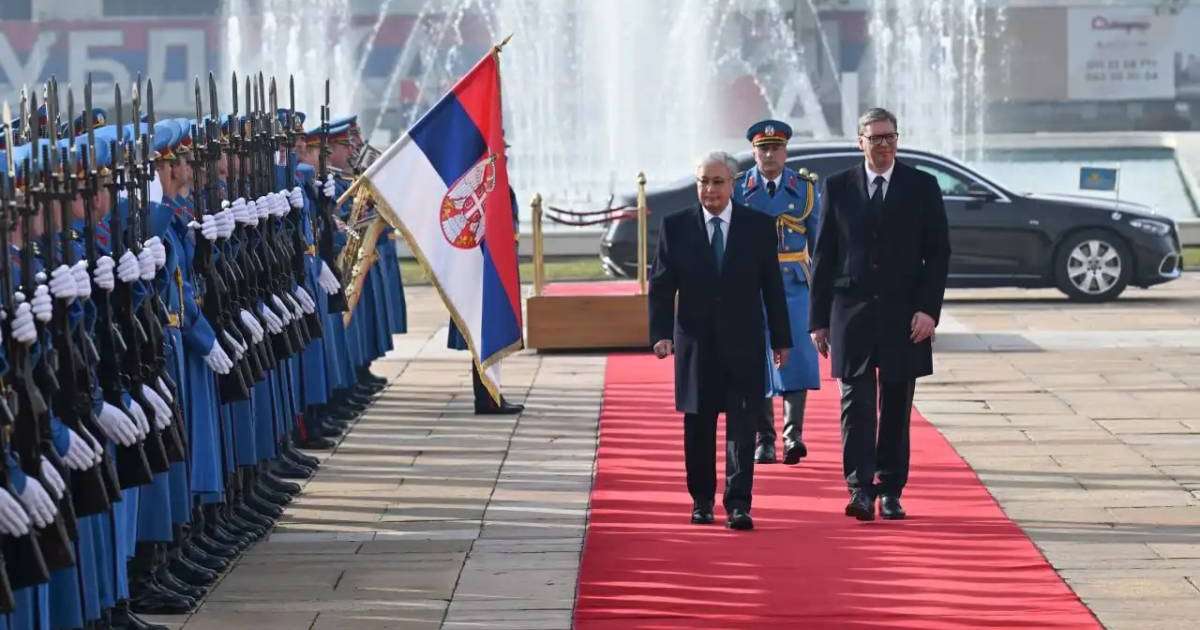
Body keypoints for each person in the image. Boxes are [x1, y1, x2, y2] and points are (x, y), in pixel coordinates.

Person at [808, 107, 950, 521]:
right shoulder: (838, 187)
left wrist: (929, 311)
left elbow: (937, 254)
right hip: (850, 314)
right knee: (856, 404)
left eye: (890, 137)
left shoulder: (922, 186)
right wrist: (818, 320)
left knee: (896, 404)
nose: (883, 145)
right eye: (875, 138)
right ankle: (860, 489)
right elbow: (824, 256)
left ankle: (890, 489)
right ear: (860, 142)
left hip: (905, 316)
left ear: (897, 140)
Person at [648, 151, 791, 531]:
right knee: (699, 425)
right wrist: (660, 333)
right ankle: (701, 500)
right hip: (695, 344)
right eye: (702, 182)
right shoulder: (675, 226)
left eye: (717, 182)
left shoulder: (757, 227)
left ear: (733, 184)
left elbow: (772, 288)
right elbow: (661, 287)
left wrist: (782, 338)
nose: (709, 190)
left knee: (743, 427)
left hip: (743, 342)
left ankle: (739, 503)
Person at [733, 119, 821, 465]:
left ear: (786, 151)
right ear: (754, 152)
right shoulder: (739, 188)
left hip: (794, 284)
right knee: (756, 359)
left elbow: (820, 245)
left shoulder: (806, 189)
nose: (769, 154)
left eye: (775, 148)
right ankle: (763, 438)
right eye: (763, 148)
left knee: (796, 358)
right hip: (752, 286)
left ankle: (792, 436)